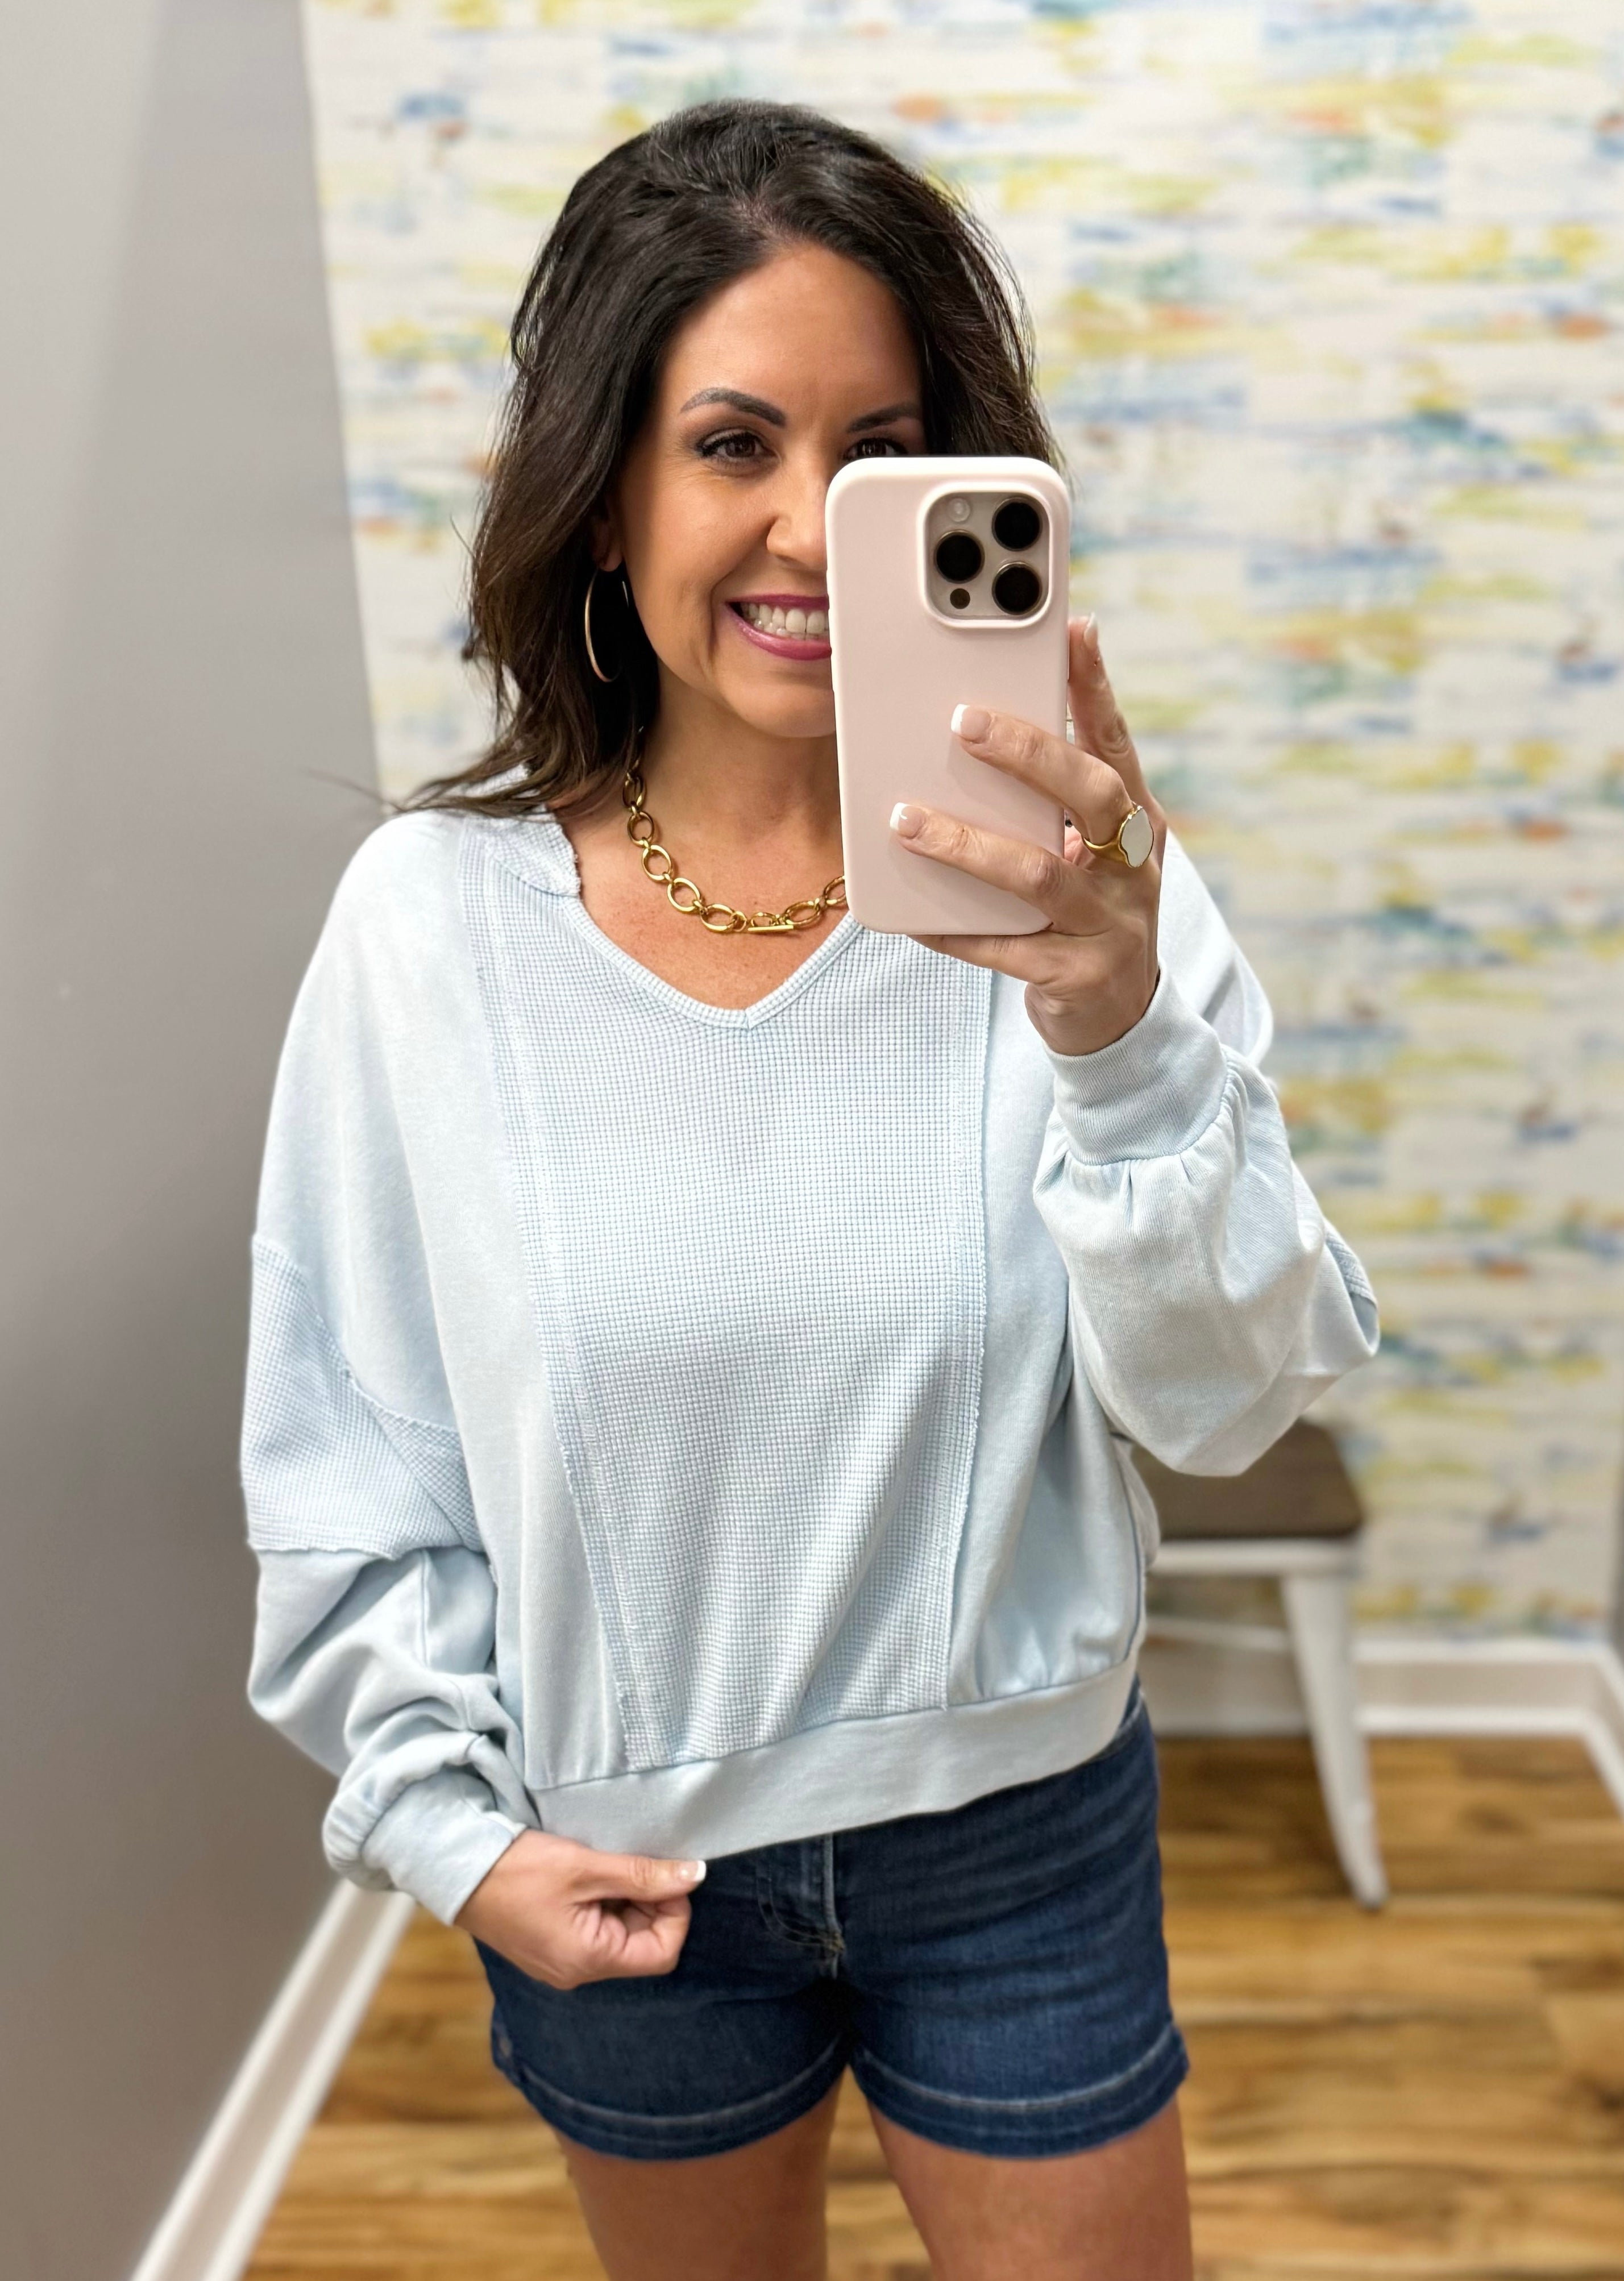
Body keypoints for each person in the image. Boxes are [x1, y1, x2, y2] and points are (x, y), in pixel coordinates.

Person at [244, 99, 1378, 2281]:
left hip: (1021, 1838)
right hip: (621, 1859)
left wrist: (1117, 1030)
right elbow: (347, 1436)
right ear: (598, 499)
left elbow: (1231, 1409)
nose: (807, 528)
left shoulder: (1086, 905)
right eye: (730, 442)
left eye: (879, 455)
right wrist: (435, 1825)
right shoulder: (427, 927)